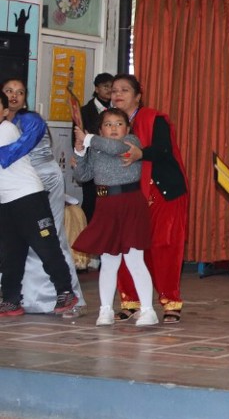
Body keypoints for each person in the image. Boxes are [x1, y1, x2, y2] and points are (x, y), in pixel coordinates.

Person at [109, 75, 190, 323]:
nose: (117, 94)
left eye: (124, 90)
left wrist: (140, 154)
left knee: (163, 246)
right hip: (126, 192)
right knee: (124, 246)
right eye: (113, 90)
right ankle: (131, 301)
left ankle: (170, 302)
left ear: (137, 96)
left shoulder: (154, 119)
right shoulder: (109, 123)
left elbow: (163, 149)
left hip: (162, 190)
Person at [0, 78, 83, 313]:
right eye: (9, 91)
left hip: (29, 198)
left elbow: (4, 157)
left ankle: (65, 292)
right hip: (6, 202)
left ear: (5, 111)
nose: (15, 95)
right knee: (11, 253)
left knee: (46, 246)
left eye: (20, 92)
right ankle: (11, 299)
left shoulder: (6, 129)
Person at [71, 108, 158, 327]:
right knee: (108, 261)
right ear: (101, 129)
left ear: (127, 128)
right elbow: (83, 175)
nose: (113, 128)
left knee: (134, 259)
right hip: (105, 205)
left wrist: (89, 138)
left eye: (119, 124)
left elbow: (115, 148)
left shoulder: (130, 141)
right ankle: (105, 310)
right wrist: (81, 153)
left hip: (129, 203)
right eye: (108, 124)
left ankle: (148, 310)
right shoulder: (97, 148)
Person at [79, 72, 115, 221]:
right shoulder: (84, 111)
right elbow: (78, 140)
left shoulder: (117, 110)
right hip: (92, 167)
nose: (109, 90)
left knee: (110, 205)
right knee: (92, 204)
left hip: (114, 167)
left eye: (111, 87)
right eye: (105, 86)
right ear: (96, 88)